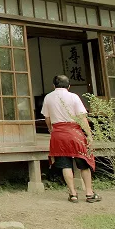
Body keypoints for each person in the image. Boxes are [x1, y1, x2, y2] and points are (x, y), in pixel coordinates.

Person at [42, 75, 100, 203]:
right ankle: (89, 193)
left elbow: (47, 118)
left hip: (58, 134)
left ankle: (73, 194)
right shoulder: (74, 97)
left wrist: (51, 129)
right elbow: (82, 118)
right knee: (84, 163)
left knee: (65, 164)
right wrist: (89, 135)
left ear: (54, 86)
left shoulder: (48, 97)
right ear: (69, 86)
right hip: (75, 132)